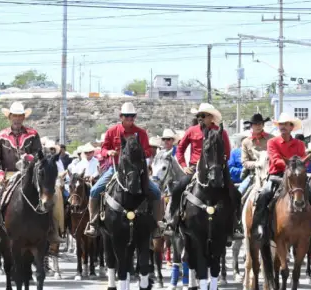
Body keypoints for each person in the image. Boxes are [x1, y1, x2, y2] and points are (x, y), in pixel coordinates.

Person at [0, 102, 63, 244]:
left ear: (23, 118)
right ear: (10, 117)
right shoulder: (0, 136)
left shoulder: (33, 134)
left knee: (55, 194)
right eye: (14, 116)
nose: (17, 119)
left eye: (20, 116)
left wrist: (29, 158)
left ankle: (54, 230)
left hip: (30, 173)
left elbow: (39, 155)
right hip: (7, 174)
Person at [85, 102, 164, 237]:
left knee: (156, 192)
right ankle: (93, 223)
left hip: (137, 171)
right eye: (127, 116)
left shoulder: (141, 133)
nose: (130, 119)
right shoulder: (112, 131)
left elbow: (148, 151)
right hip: (115, 169)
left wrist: (139, 153)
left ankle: (157, 224)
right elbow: (103, 149)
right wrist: (108, 152)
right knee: (94, 190)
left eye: (132, 116)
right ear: (121, 116)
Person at [168, 103, 242, 239]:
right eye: (198, 116)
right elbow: (180, 149)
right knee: (178, 189)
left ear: (211, 117)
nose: (200, 118)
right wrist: (184, 166)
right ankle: (173, 222)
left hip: (217, 168)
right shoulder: (191, 130)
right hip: (195, 168)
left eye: (203, 115)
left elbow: (227, 152)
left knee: (235, 193)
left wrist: (219, 163)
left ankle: (235, 225)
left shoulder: (221, 132)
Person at [250, 113, 311, 241]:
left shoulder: (299, 144)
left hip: (296, 178)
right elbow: (275, 159)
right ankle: (258, 227)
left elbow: (302, 159)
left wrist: (299, 166)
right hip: (277, 175)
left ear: (291, 127)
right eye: (281, 124)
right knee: (263, 195)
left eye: (286, 124)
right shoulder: (272, 142)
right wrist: (291, 167)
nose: (283, 127)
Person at [238, 113, 271, 196]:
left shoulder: (272, 139)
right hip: (253, 174)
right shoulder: (245, 142)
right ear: (251, 126)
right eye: (255, 124)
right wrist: (256, 164)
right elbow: (244, 162)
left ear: (263, 125)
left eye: (260, 123)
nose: (258, 126)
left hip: (270, 174)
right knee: (239, 194)